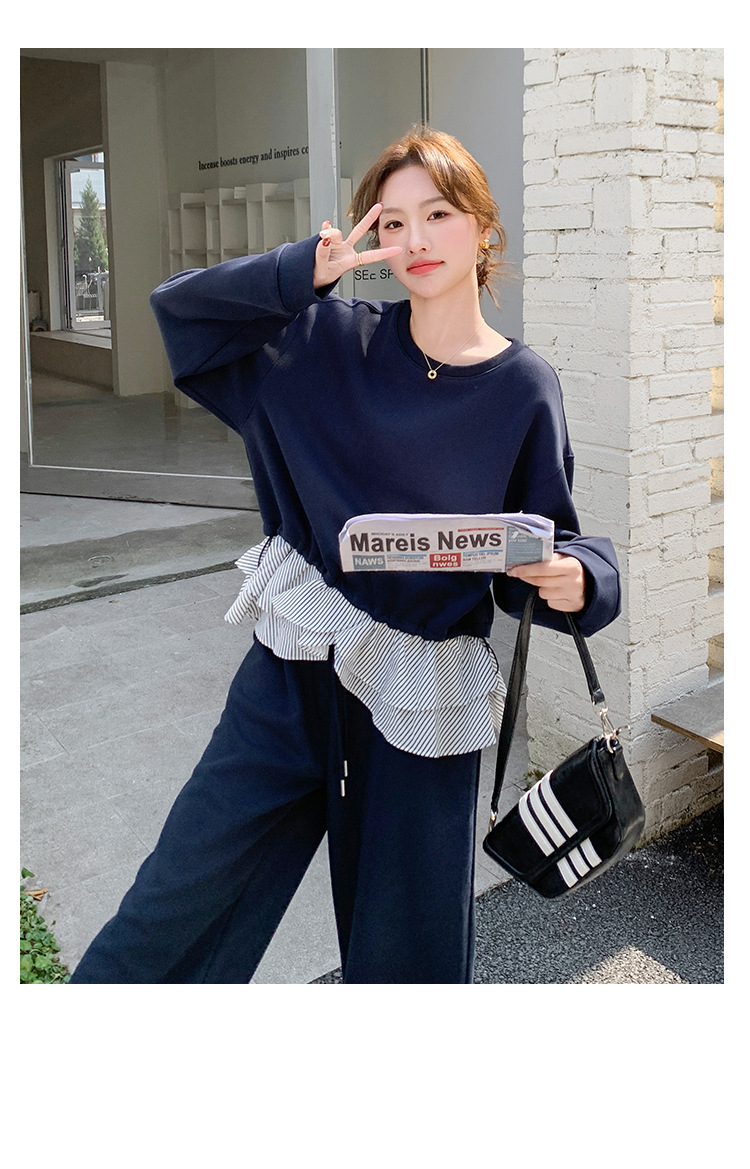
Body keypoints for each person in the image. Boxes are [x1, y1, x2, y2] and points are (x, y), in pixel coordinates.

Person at [69, 125, 620, 984]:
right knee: (171, 911)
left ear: (483, 229)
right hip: (295, 672)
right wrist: (302, 271)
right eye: (392, 223)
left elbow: (546, 538)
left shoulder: (523, 387)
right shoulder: (324, 340)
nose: (415, 238)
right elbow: (183, 315)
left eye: (438, 214)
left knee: (407, 960)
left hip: (423, 701)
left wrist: (581, 577)